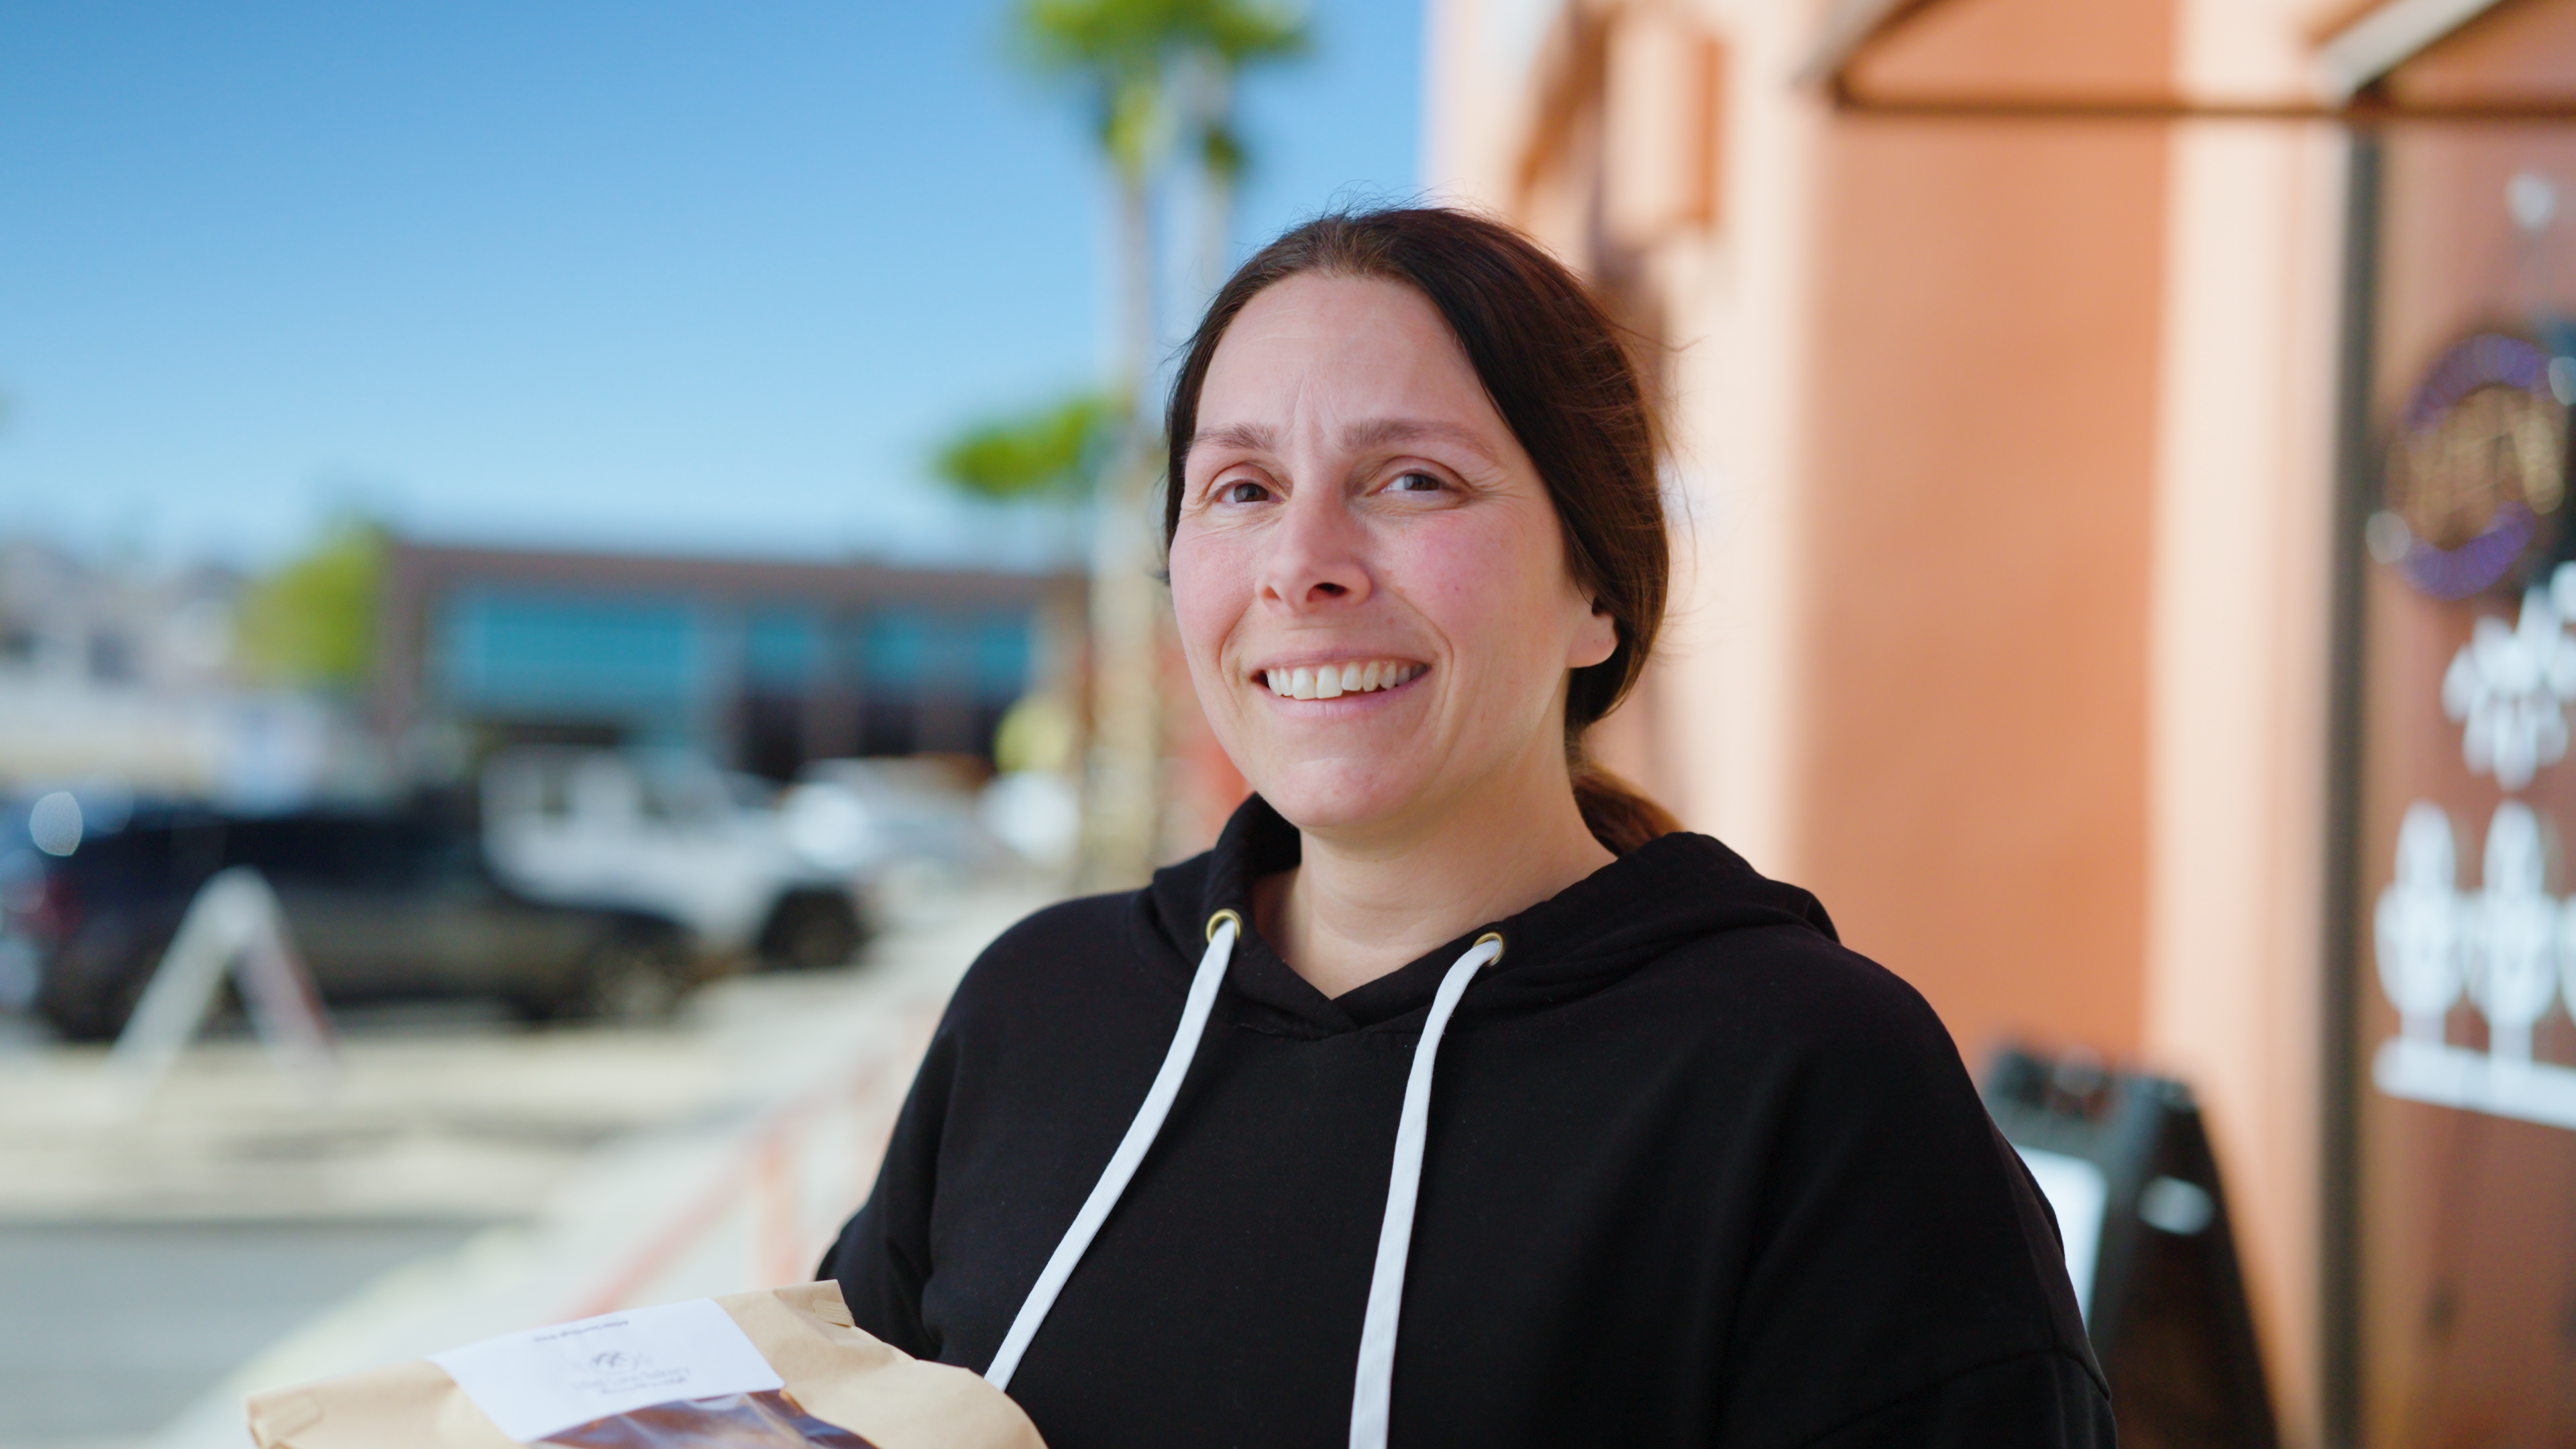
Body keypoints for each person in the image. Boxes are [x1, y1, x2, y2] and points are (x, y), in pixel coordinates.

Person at [820, 207, 2110, 1448]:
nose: (1301, 565)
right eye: (1242, 488)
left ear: (1596, 588)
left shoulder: (1819, 1085)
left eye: (1412, 480)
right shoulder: (1037, 1007)